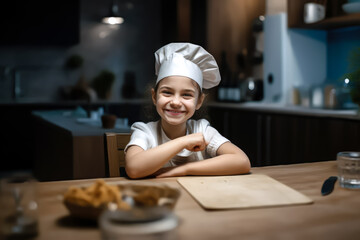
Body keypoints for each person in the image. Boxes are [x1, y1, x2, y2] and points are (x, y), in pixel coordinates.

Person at [125, 43, 250, 179]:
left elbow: (242, 161)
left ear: (199, 101)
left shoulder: (202, 129)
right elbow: (133, 168)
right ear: (154, 97)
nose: (176, 102)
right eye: (167, 92)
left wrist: (184, 169)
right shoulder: (144, 132)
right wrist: (184, 141)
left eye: (186, 95)